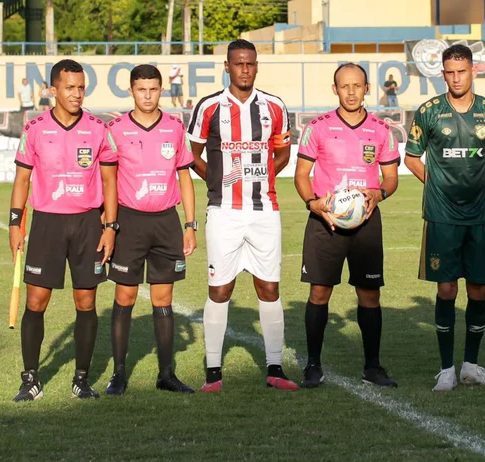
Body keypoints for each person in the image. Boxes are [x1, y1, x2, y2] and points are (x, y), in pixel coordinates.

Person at [186, 39, 297, 392]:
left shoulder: (275, 106)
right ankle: (213, 373)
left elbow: (282, 153)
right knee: (221, 288)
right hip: (224, 212)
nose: (245, 70)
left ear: (256, 66)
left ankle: (275, 368)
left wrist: (262, 178)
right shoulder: (209, 107)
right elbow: (193, 154)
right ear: (227, 66)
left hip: (265, 211)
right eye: (238, 64)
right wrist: (217, 181)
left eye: (250, 64)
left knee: (269, 287)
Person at [9, 59, 119, 402]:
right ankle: (30, 378)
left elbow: (110, 181)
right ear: (53, 90)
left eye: (81, 87)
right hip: (47, 222)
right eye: (69, 88)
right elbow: (22, 179)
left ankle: (81, 379)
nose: (76, 94)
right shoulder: (35, 127)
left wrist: (111, 227)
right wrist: (15, 223)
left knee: (86, 301)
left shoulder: (99, 128)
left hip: (88, 223)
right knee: (36, 300)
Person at [403, 44, 485, 392]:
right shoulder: (429, 111)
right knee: (447, 288)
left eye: (461, 71)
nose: (455, 77)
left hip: (479, 214)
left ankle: (471, 366)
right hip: (441, 215)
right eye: (449, 72)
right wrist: (438, 186)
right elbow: (412, 158)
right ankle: (447, 369)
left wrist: (479, 183)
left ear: (473, 71)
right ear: (443, 73)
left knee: (478, 288)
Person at [294, 63, 400, 389]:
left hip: (366, 222)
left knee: (369, 294)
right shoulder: (317, 128)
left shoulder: (382, 130)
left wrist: (378, 194)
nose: (351, 92)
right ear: (335, 89)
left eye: (357, 85)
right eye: (344, 86)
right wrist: (314, 204)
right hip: (325, 221)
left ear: (367, 88)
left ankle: (372, 366)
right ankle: (313, 365)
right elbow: (301, 176)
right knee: (320, 292)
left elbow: (391, 178)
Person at [103, 65, 197, 395]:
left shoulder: (174, 127)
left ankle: (166, 375)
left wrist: (190, 225)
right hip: (130, 222)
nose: (147, 95)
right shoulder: (114, 129)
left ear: (161, 90)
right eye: (141, 89)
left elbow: (185, 177)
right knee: (125, 295)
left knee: (163, 297)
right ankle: (118, 374)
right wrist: (110, 225)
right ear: (131, 91)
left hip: (166, 222)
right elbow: (109, 180)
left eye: (153, 89)